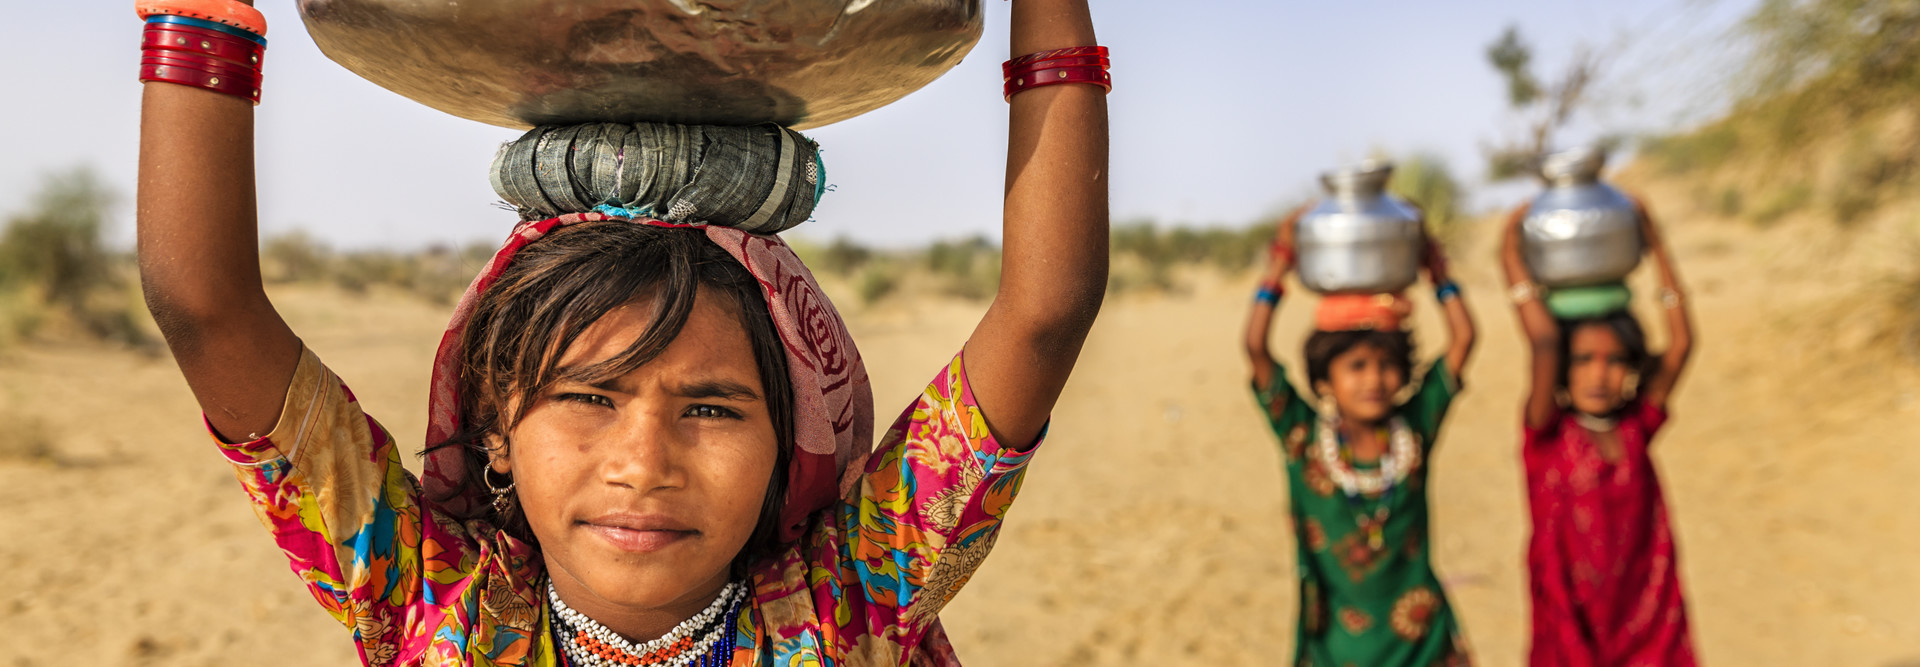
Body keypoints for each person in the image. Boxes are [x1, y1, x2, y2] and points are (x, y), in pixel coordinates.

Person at [133, 0, 1110, 664]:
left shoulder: (842, 607)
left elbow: (1043, 311)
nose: (643, 463)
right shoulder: (440, 605)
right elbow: (205, 304)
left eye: (714, 408)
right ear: (496, 433)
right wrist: (201, 27)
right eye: (589, 397)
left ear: (787, 445)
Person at [1243, 208, 1477, 666]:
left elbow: (1464, 338)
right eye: (1356, 367)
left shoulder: (1414, 427)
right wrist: (1280, 261)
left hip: (1422, 638)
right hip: (1334, 642)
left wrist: (1436, 266)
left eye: (1387, 365)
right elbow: (1255, 348)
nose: (1375, 379)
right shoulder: (1301, 436)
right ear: (1324, 380)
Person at [1500, 199, 1699, 666]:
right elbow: (1545, 342)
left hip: (1644, 608)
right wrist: (1510, 259)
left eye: (1615, 361)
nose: (1598, 376)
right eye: (1583, 360)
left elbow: (1682, 343)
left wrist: (1657, 247)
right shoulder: (1546, 433)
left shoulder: (1635, 425)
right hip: (1571, 617)